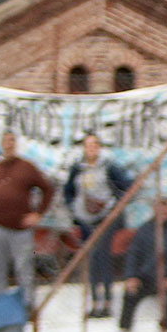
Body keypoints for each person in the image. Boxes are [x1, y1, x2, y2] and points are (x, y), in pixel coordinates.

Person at [63, 133, 131, 318]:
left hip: (106, 218)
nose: (91, 149)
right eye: (88, 145)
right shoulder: (78, 169)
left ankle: (107, 302)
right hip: (86, 220)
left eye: (94, 145)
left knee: (102, 256)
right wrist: (74, 208)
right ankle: (95, 302)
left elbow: (127, 186)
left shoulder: (109, 167)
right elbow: (68, 191)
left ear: (99, 148)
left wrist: (113, 205)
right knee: (92, 259)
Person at [109, 197, 167, 332]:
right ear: (154, 209)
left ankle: (165, 329)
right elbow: (133, 254)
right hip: (148, 276)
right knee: (130, 293)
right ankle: (125, 330)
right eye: (160, 207)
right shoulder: (144, 230)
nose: (163, 211)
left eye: (166, 207)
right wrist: (131, 276)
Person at [0, 131, 54, 308]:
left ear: (16, 143)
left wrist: (38, 213)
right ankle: (0, 308)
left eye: (12, 140)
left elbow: (48, 189)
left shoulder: (27, 167)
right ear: (1, 144)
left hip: (21, 230)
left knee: (24, 269)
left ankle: (27, 306)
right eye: (5, 141)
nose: (9, 144)